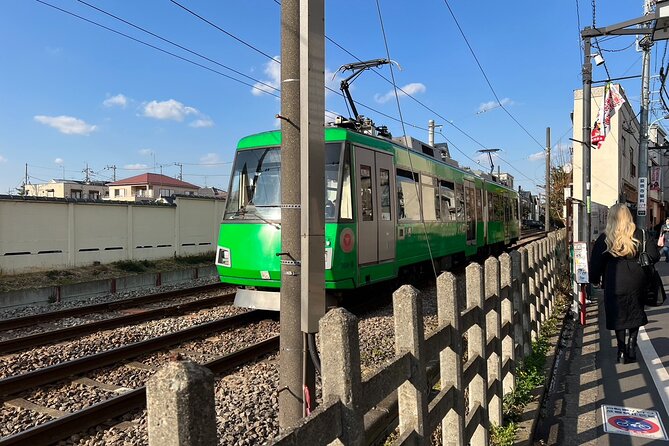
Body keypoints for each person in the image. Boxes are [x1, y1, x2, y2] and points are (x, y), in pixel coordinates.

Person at [590, 204, 660, 364]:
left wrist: (594, 280)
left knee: (618, 315)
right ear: (629, 217)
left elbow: (595, 265)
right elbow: (654, 255)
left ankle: (621, 350)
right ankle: (631, 345)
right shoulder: (641, 234)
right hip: (638, 281)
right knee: (635, 311)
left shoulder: (605, 238)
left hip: (614, 283)